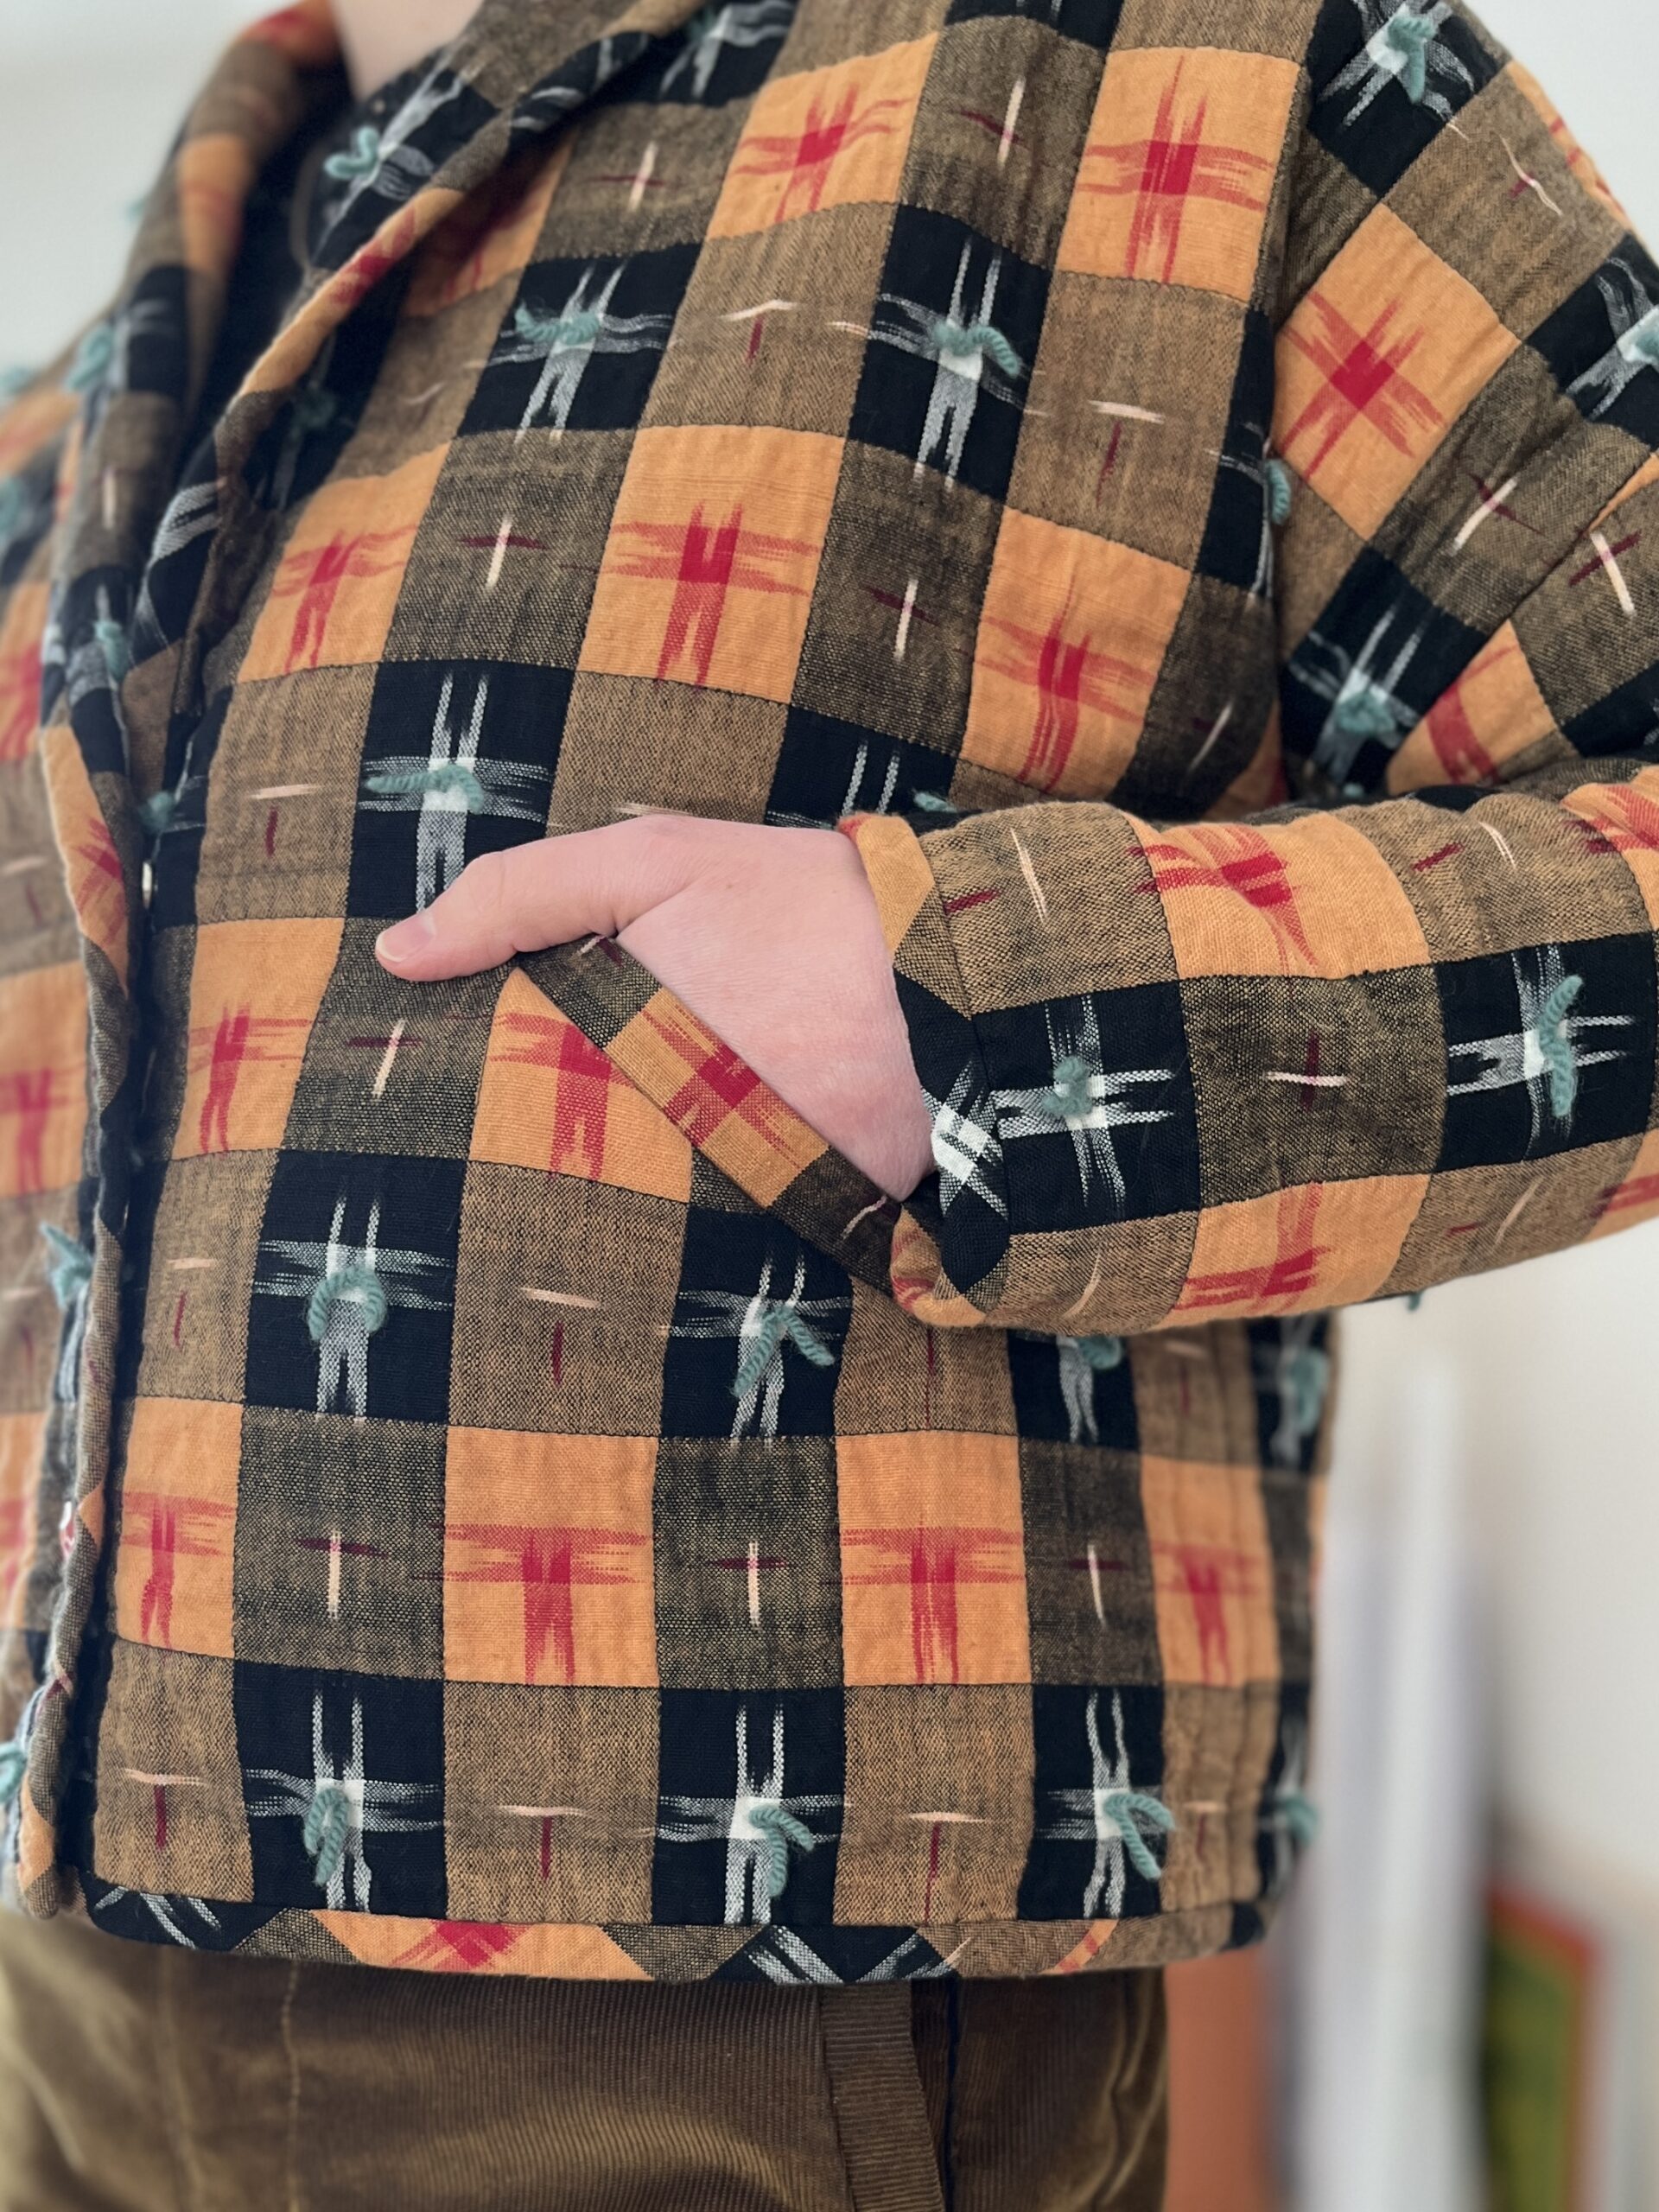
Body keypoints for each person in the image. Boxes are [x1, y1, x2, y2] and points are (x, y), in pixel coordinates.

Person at [1, 0, 1655, 2200]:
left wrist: (984, 1015)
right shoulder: (103, 366)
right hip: (62, 1968)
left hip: (746, 1990)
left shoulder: (1192, 72)